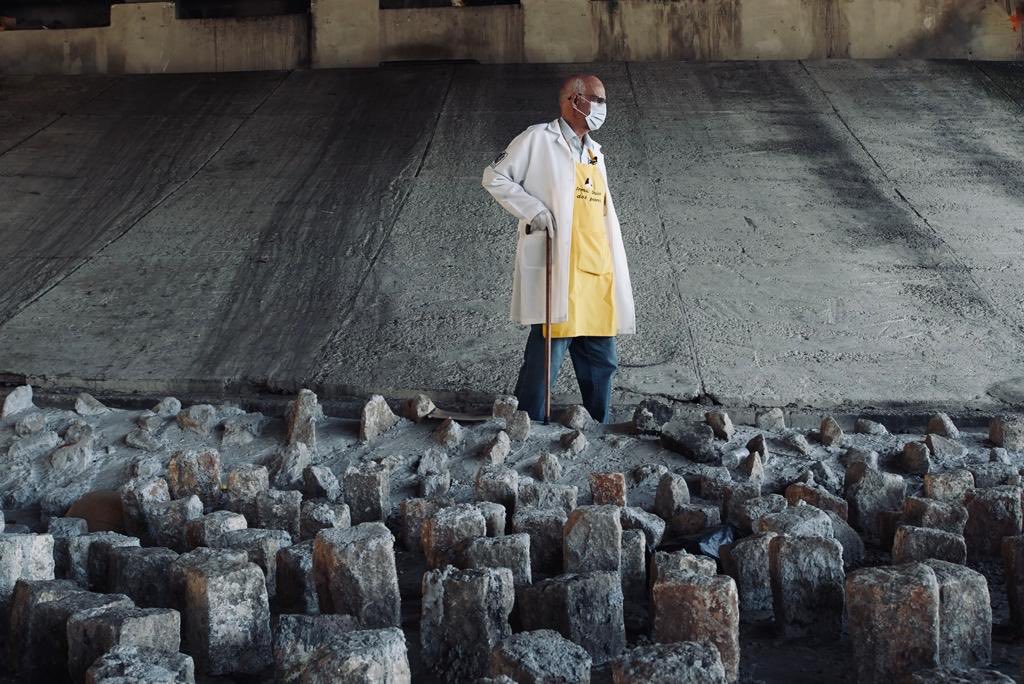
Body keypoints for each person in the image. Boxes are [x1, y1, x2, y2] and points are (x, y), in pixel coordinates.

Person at [481, 74, 636, 423]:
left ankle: (597, 424)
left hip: (596, 270)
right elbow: (494, 177)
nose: (602, 107)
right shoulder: (537, 139)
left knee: (602, 359)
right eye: (597, 99)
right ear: (573, 100)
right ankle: (527, 424)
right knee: (547, 355)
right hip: (560, 265)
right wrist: (533, 210)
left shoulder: (595, 153)